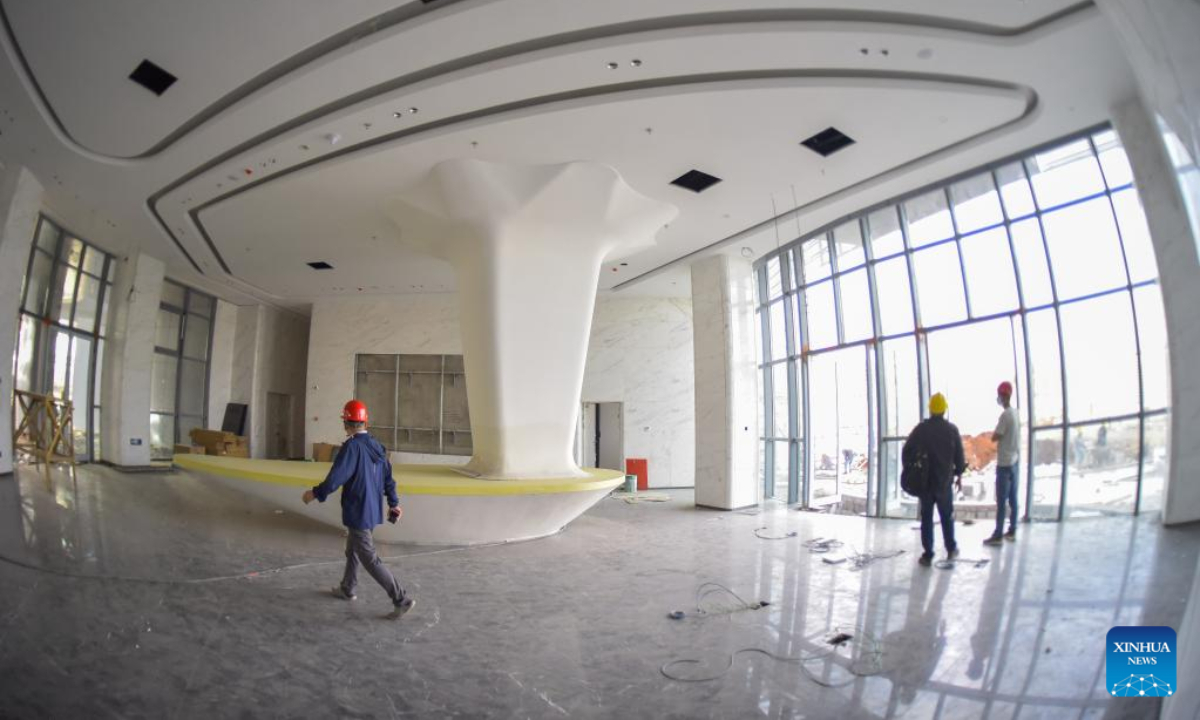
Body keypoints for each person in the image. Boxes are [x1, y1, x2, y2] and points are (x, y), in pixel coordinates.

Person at [303, 399, 415, 620]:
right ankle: (347, 588)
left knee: (369, 558)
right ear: (365, 422)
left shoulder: (352, 447)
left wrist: (316, 493)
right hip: (372, 510)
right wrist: (393, 503)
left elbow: (336, 478)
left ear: (347, 423)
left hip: (358, 511)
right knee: (352, 549)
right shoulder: (376, 445)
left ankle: (400, 599)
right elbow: (388, 479)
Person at [903, 393, 965, 567]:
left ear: (930, 409)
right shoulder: (952, 430)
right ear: (944, 409)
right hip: (944, 482)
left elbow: (907, 449)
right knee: (946, 516)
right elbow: (959, 457)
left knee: (927, 518)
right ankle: (951, 549)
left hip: (926, 483)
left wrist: (911, 468)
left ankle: (928, 555)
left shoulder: (921, 429)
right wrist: (959, 475)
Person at [985, 381, 1020, 546]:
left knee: (1001, 501)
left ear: (1003, 395)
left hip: (1004, 464)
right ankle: (1012, 530)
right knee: (1013, 498)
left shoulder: (1005, 415)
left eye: (999, 395)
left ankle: (998, 535)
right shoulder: (1015, 413)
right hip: (1014, 462)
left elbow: (995, 436)